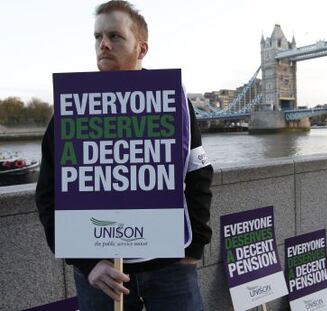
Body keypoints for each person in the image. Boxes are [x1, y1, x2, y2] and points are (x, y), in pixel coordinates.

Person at [35, 1, 213, 310]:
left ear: (141, 48)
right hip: (102, 272)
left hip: (171, 267)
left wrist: (194, 248)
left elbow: (198, 174)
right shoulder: (71, 109)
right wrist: (87, 262)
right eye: (97, 37)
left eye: (115, 36)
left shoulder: (173, 103)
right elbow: (49, 193)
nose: (102, 45)